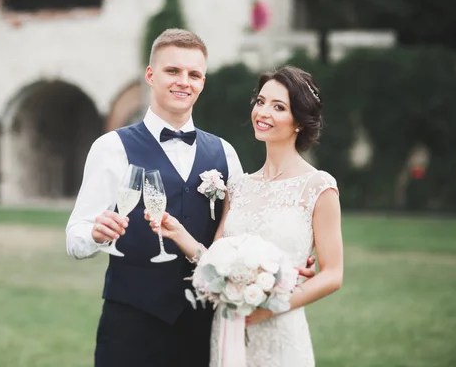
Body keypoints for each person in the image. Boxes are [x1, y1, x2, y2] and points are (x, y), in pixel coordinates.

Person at [66, 28, 246, 367]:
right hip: (131, 326)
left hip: (205, 325)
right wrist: (93, 234)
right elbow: (74, 236)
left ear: (203, 82)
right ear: (151, 75)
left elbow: (239, 234)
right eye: (173, 71)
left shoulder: (225, 153)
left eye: (194, 74)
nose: (184, 81)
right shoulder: (111, 148)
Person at [145, 65, 343, 367]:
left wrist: (269, 308)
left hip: (280, 330)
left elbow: (332, 274)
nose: (263, 112)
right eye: (261, 101)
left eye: (278, 107)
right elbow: (214, 259)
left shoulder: (318, 187)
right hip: (229, 327)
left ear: (299, 122)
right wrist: (179, 234)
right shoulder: (238, 186)